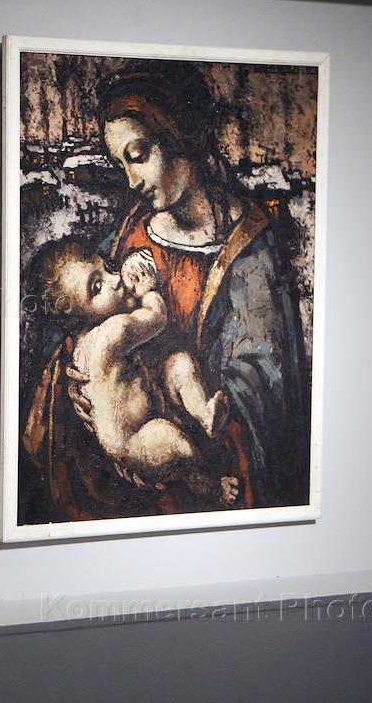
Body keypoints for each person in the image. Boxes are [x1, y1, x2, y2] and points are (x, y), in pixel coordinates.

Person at [19, 60, 310, 523]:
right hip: (131, 478)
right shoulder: (135, 229)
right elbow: (83, 312)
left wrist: (184, 423)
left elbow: (265, 390)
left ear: (180, 139)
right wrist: (80, 387)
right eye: (121, 164)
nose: (131, 181)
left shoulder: (248, 246)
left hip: (211, 472)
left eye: (138, 156)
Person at [30, 239, 238, 504]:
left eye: (107, 268)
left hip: (150, 402)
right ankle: (210, 487)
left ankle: (206, 414)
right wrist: (148, 289)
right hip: (136, 440)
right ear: (79, 315)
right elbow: (157, 318)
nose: (115, 279)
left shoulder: (84, 342)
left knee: (179, 363)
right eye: (97, 287)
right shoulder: (111, 334)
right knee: (173, 442)